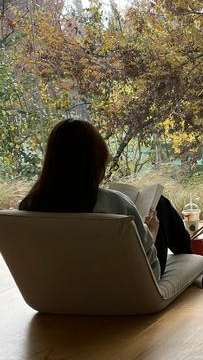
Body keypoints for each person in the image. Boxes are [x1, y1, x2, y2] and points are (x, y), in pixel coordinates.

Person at [19, 119, 192, 280]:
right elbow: (146, 263)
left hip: (58, 292)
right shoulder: (117, 204)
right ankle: (191, 258)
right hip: (126, 288)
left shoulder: (29, 206)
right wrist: (152, 231)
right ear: (96, 162)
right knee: (160, 203)